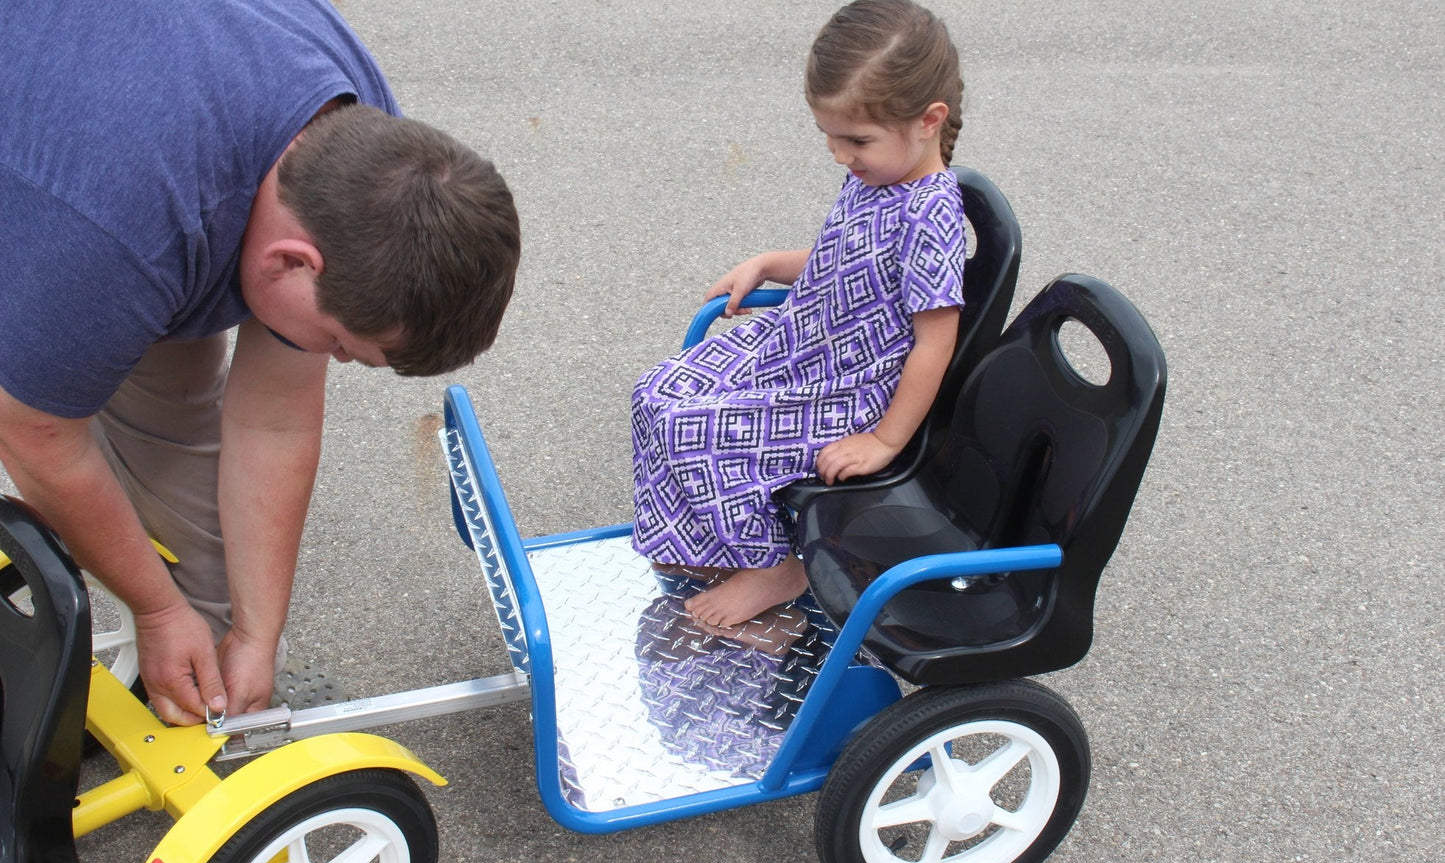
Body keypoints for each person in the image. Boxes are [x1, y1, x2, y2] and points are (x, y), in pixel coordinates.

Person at [0, 0, 521, 726]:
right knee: (47, 389)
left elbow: (272, 421)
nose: (334, 360)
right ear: (292, 261)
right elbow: (37, 437)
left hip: (133, 190)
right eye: (341, 346)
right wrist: (154, 607)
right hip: (78, 186)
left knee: (164, 376)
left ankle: (207, 680)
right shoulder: (114, 236)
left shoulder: (366, 157)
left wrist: (254, 632)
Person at [631, 0, 967, 637]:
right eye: (831, 138)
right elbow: (841, 255)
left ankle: (780, 564)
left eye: (857, 140)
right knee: (656, 395)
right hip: (798, 342)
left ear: (929, 121)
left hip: (846, 388)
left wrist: (886, 439)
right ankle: (700, 540)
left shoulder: (932, 215)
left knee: (697, 430)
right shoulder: (876, 177)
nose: (841, 155)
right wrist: (770, 263)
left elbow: (935, 342)